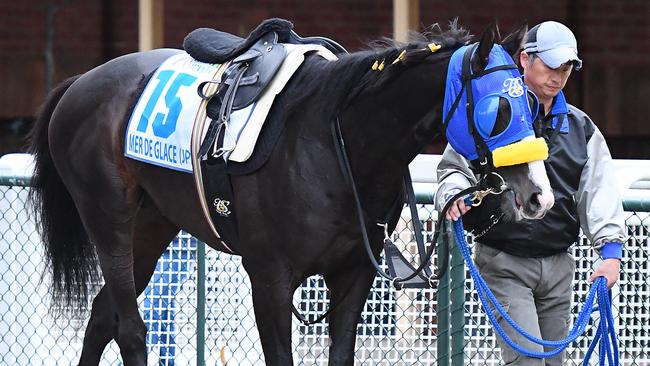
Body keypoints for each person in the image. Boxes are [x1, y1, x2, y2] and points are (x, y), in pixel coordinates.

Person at [435, 21, 626, 365]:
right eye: (550, 65)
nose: (558, 76)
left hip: (558, 265)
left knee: (553, 361)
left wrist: (610, 252)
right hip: (505, 261)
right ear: (525, 59)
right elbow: (453, 167)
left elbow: (599, 191)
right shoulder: (493, 112)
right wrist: (453, 194)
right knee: (527, 362)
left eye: (565, 68)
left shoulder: (582, 128)